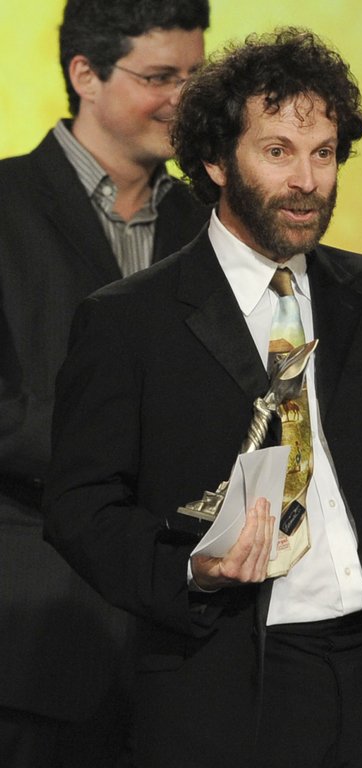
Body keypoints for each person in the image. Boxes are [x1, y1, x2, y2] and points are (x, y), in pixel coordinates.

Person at [43, 27, 362, 768]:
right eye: (277, 151)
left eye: (323, 153)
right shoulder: (129, 320)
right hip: (227, 685)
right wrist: (190, 569)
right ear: (216, 160)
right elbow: (80, 507)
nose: (307, 179)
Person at [0, 1, 210, 766]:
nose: (185, 100)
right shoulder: (6, 204)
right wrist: (129, 445)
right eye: (160, 78)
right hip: (35, 638)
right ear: (84, 74)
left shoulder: (213, 223)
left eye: (196, 77)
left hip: (183, 644)